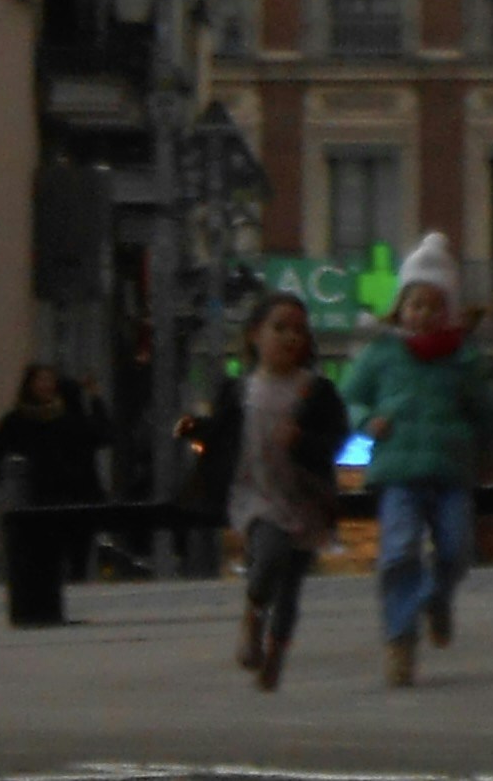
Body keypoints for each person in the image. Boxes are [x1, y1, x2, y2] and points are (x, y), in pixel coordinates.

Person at [339, 231, 493, 688]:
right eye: (415, 304)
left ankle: (437, 599)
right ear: (400, 307)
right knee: (398, 553)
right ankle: (400, 640)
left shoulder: (464, 362)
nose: (422, 314)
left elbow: (491, 416)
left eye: (433, 305)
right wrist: (367, 419)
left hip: (450, 474)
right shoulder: (380, 355)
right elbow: (346, 399)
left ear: (450, 312)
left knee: (456, 550)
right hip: (398, 474)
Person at [188, 291, 346, 694]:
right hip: (256, 493)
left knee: (292, 587)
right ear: (255, 335)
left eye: (299, 330)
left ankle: (275, 654)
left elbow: (335, 440)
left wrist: (303, 439)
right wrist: (198, 448)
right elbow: (220, 437)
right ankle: (254, 611)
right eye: (280, 328)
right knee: (270, 555)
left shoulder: (316, 391)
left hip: (304, 497)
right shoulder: (240, 390)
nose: (290, 337)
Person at [0, 359, 109, 512]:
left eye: (50, 380)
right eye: (41, 380)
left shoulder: (69, 419)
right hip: (33, 503)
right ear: (29, 385)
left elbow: (102, 436)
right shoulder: (15, 421)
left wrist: (96, 400)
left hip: (72, 503)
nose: (46, 386)